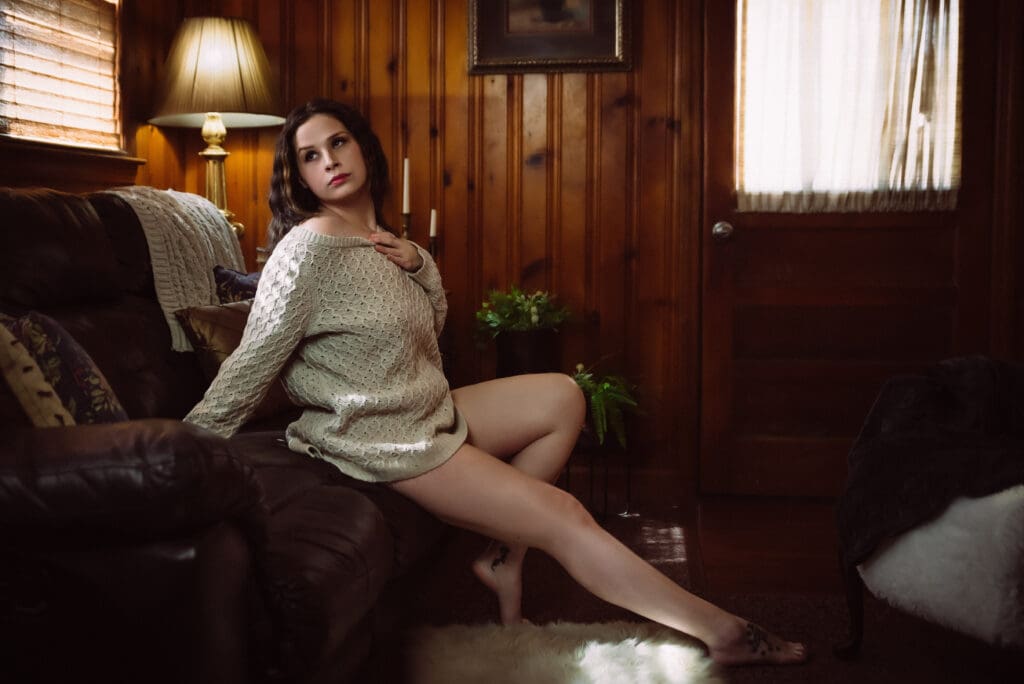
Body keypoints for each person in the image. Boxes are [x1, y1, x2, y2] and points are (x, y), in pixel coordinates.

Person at [184, 97, 807, 667]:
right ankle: (723, 633)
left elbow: (429, 327)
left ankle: (501, 557)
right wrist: (181, 447)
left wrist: (419, 263)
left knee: (564, 394)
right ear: (300, 178)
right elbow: (254, 357)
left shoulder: (377, 241)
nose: (329, 162)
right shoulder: (307, 249)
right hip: (382, 436)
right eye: (310, 157)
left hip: (425, 406)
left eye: (338, 143)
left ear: (363, 148)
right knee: (564, 515)